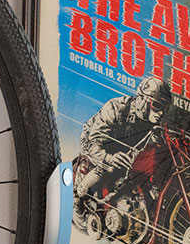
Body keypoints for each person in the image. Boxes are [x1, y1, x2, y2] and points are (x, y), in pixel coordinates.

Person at [73, 77, 172, 227]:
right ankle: (77, 198)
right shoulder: (115, 107)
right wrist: (109, 158)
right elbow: (94, 142)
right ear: (142, 99)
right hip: (94, 141)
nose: (160, 113)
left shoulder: (154, 124)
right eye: (157, 105)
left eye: (165, 108)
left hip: (123, 149)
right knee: (107, 168)